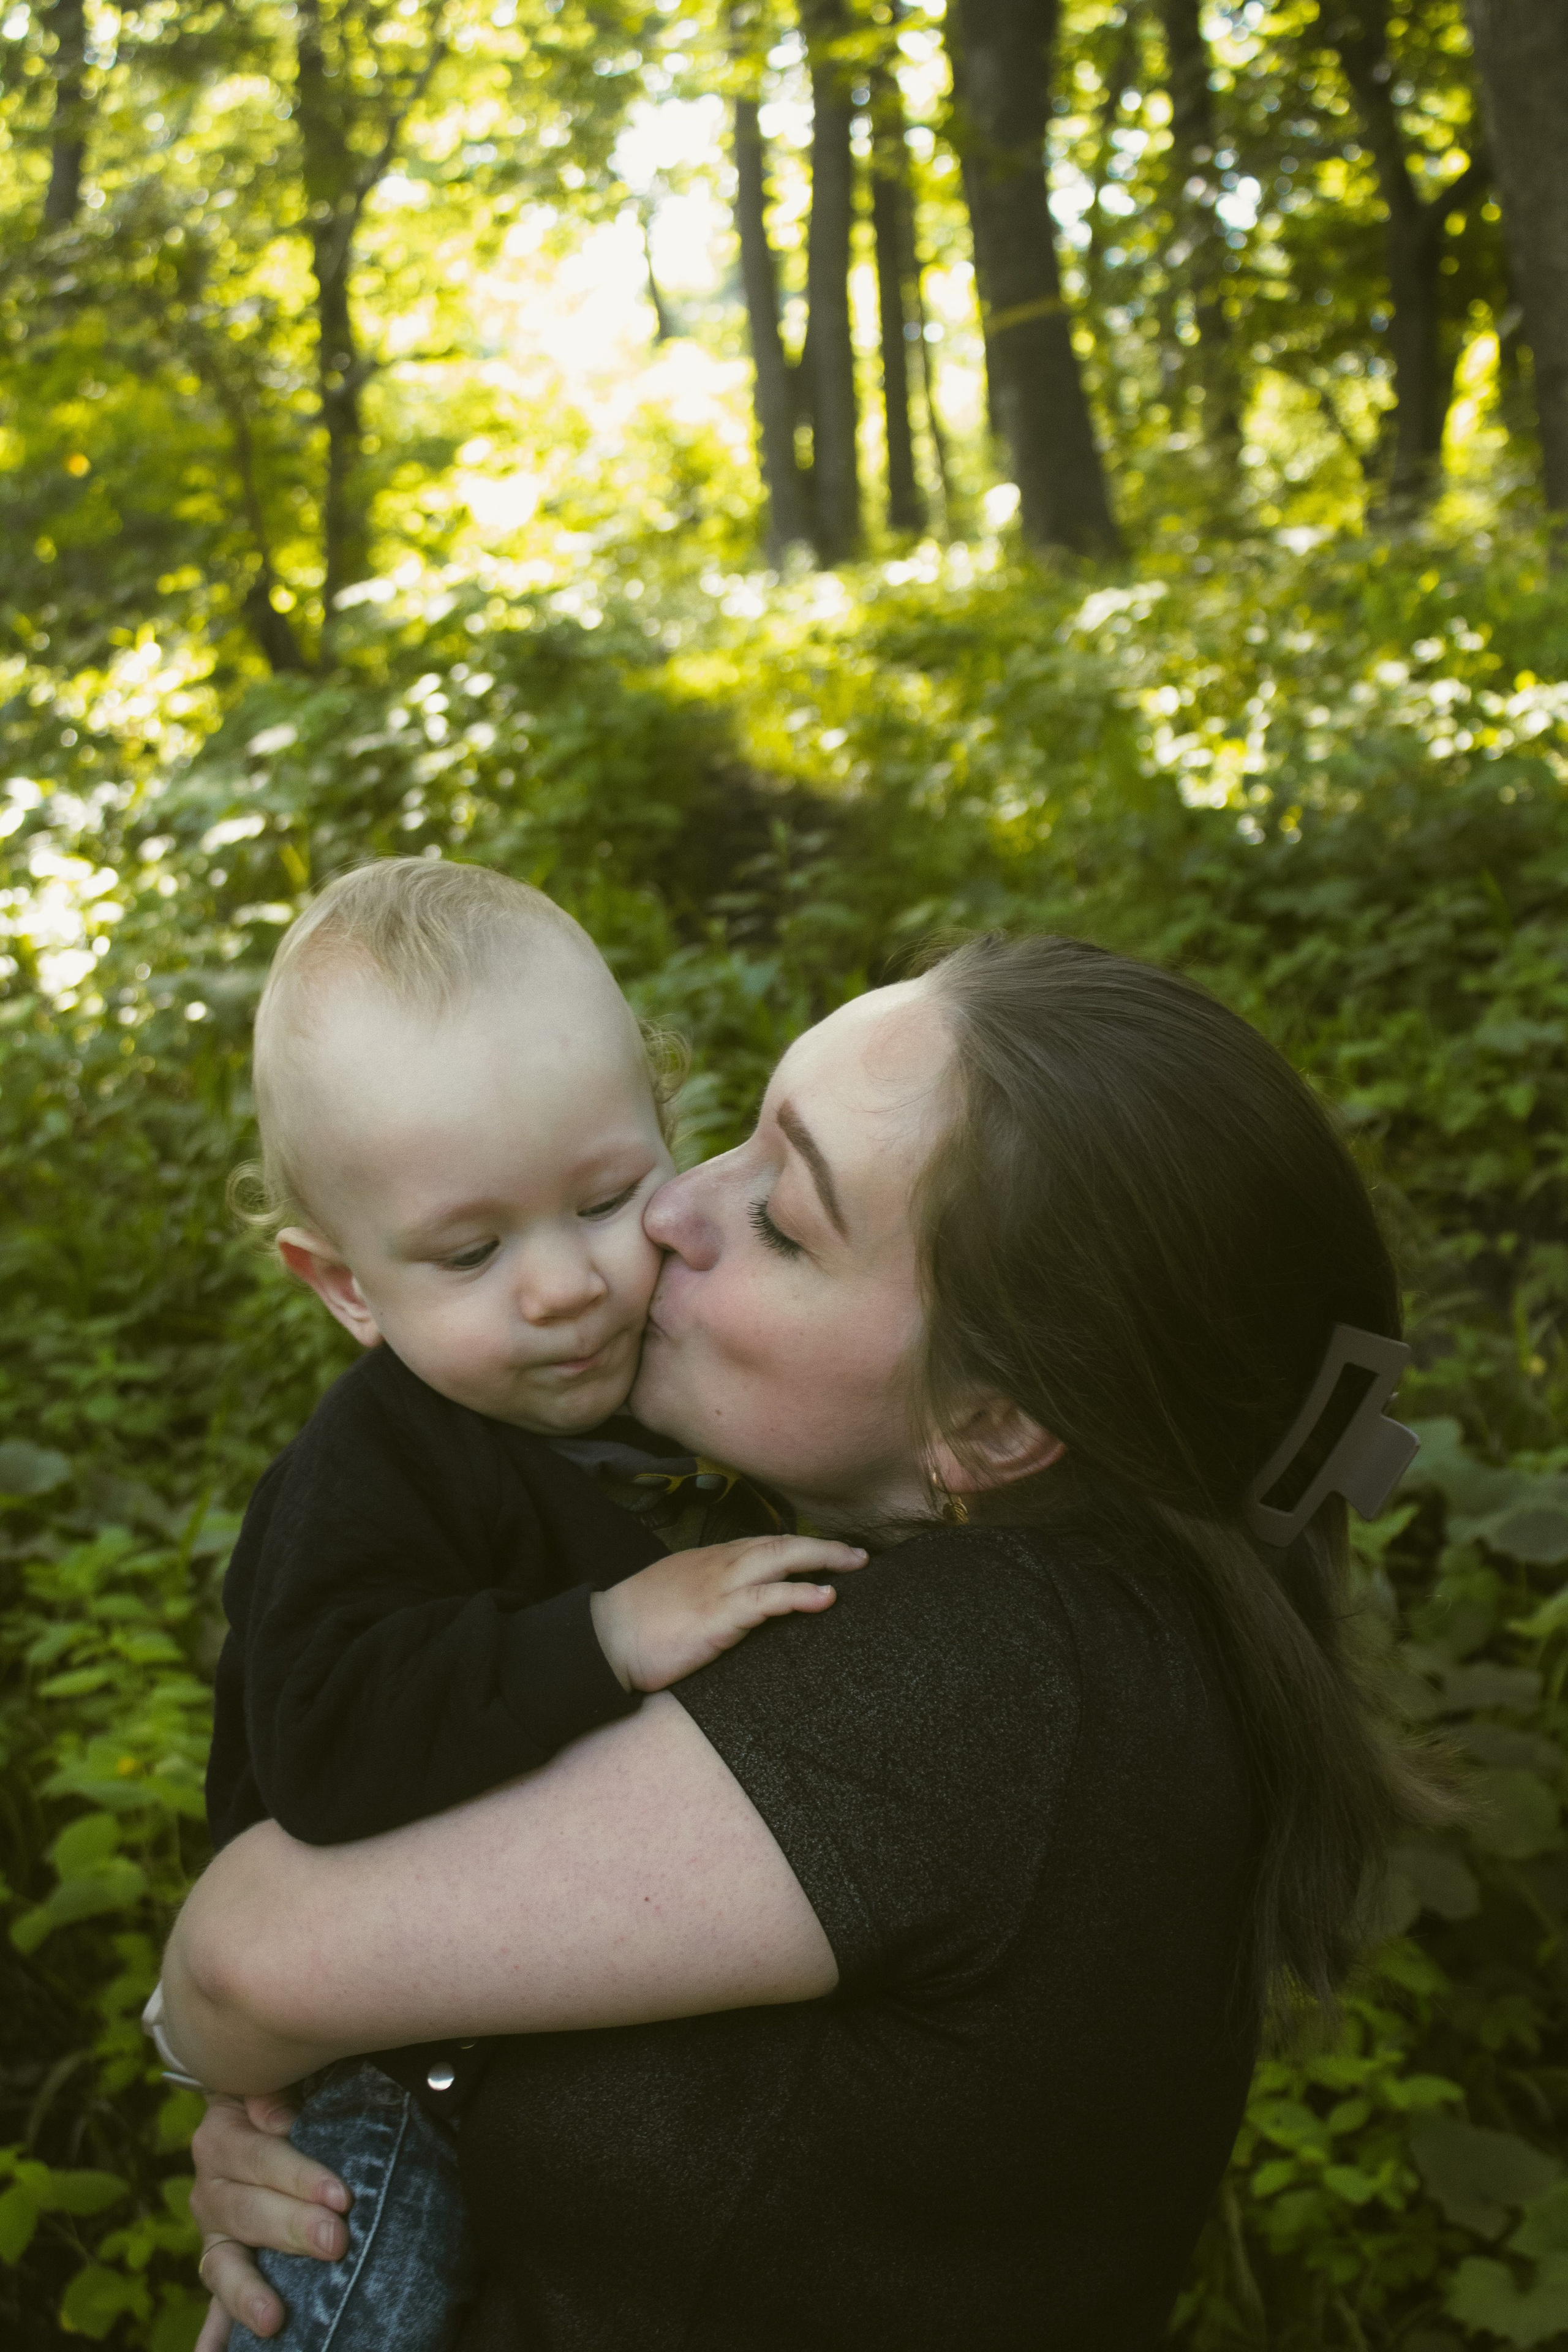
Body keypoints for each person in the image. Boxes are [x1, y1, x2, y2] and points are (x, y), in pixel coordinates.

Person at [163, 933, 1442, 2352]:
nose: (668, 1217)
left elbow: (239, 1963)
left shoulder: (997, 1676)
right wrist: (331, 2115)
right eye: (737, 1139)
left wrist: (257, 2066)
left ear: (993, 1425)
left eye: (784, 1219)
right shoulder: (1108, 1643)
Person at [171, 857, 863, 2352]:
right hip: (379, 2072)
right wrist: (602, 1637)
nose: (563, 1287)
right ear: (341, 1285)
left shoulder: (663, 1390)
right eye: (472, 1253)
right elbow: (325, 1750)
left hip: (567, 2024)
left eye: (606, 1199)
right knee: (354, 2292)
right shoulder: (375, 1471)